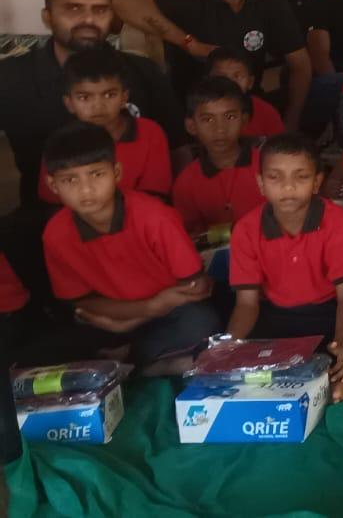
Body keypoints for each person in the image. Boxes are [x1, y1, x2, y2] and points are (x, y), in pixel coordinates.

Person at [26, 122, 219, 373]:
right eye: (70, 179)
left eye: (97, 174)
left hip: (170, 312)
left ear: (116, 173)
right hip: (111, 317)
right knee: (49, 349)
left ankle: (129, 361)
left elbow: (197, 286)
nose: (86, 189)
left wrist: (149, 312)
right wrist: (143, 310)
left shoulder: (155, 217)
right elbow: (82, 303)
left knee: (201, 322)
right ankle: (146, 362)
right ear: (53, 186)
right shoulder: (56, 234)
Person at [0, 0, 180, 209]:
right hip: (46, 217)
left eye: (100, 9)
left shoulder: (143, 71)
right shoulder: (10, 77)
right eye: (74, 8)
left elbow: (179, 149)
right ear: (47, 17)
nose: (88, 20)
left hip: (142, 216)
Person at [112, 0, 311, 129]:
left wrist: (291, 124)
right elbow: (119, 0)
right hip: (196, 116)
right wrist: (190, 44)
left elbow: (300, 65)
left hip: (248, 108)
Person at [227, 133, 343, 402]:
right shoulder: (246, 229)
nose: (288, 187)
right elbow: (247, 304)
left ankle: (334, 370)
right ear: (260, 183)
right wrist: (228, 348)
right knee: (237, 353)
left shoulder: (337, 222)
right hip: (276, 316)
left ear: (317, 182)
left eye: (301, 177)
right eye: (275, 177)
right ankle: (323, 374)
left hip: (326, 312)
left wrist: (341, 345)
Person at [38, 48, 172, 204]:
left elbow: (155, 198)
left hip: (142, 216)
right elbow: (53, 202)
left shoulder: (149, 133)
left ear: (124, 98)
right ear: (69, 103)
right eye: (84, 97)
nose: (98, 106)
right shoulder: (59, 142)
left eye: (109, 95)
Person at [172, 77, 264, 235]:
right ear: (191, 126)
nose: (220, 129)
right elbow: (192, 236)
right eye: (207, 119)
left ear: (244, 120)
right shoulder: (185, 183)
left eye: (230, 117)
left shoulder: (267, 167)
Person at [208, 47, 285, 139]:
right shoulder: (200, 109)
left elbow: (280, 145)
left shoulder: (266, 112)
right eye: (221, 77)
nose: (230, 82)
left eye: (237, 76)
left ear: (250, 82)